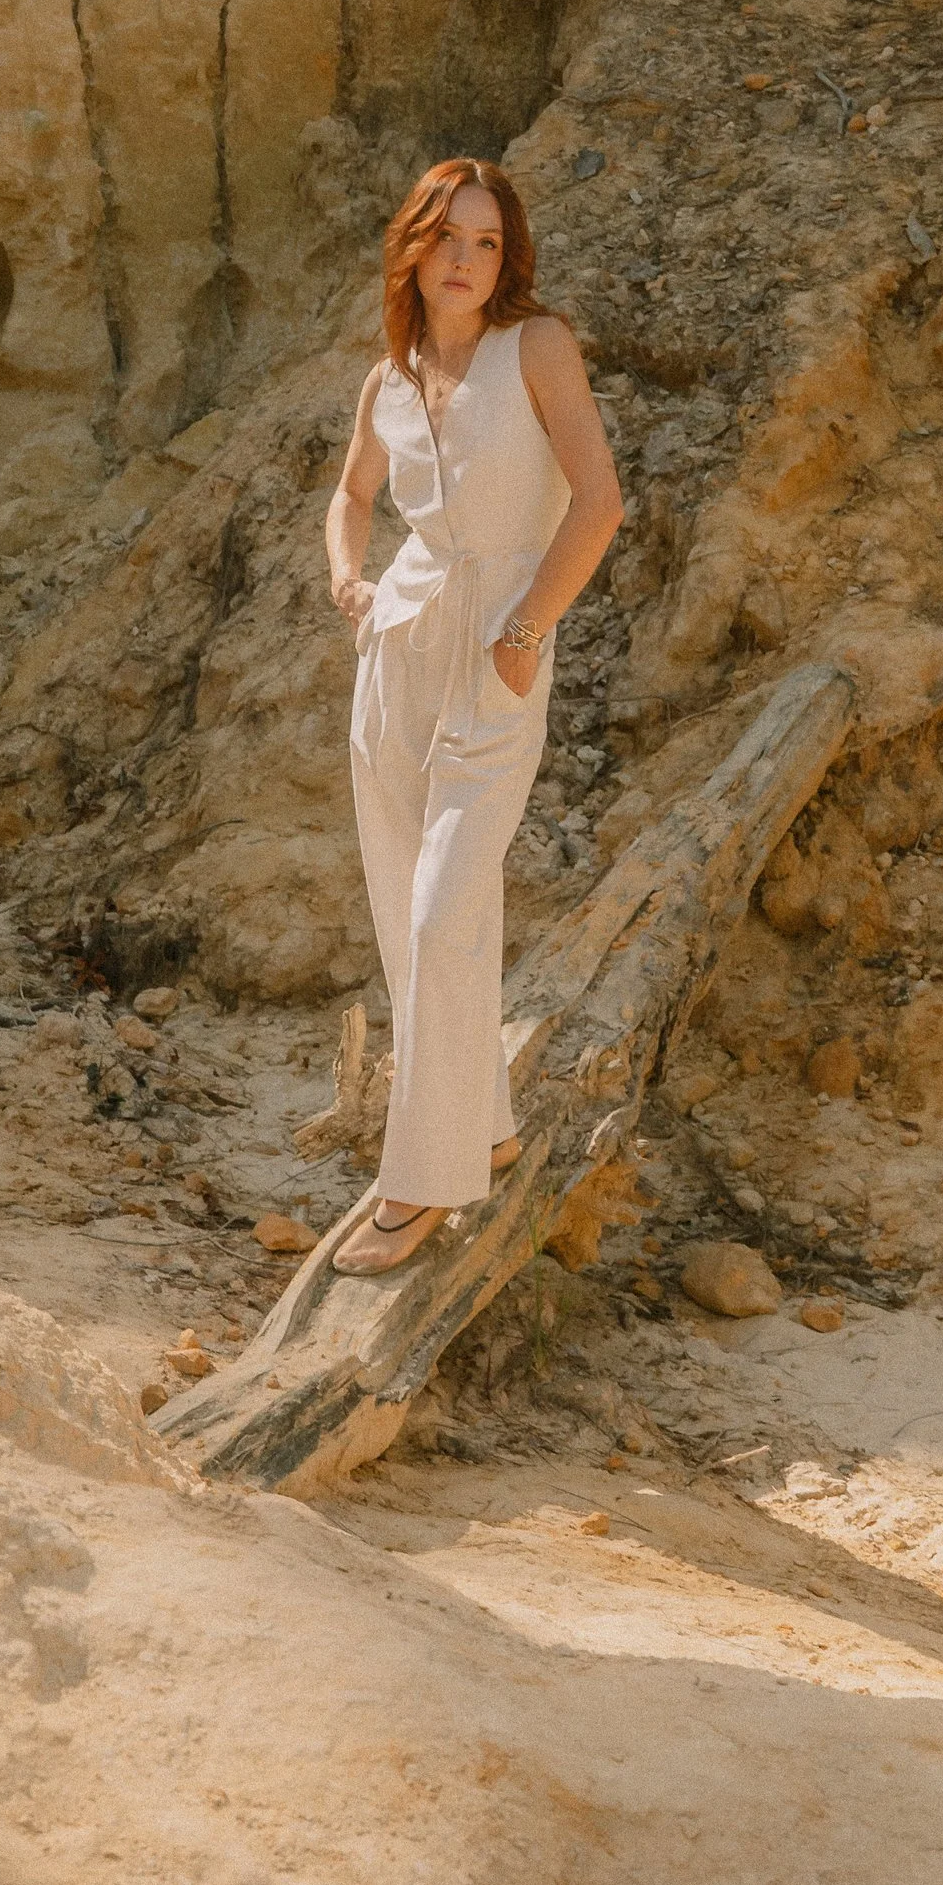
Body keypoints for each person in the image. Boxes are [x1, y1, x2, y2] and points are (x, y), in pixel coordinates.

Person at [322, 157, 624, 1274]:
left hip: (500, 649)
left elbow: (600, 501)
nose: (465, 259)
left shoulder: (535, 348)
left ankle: (417, 1184)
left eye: (487, 242)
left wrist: (525, 631)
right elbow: (349, 495)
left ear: (510, 258)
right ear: (413, 244)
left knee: (448, 906)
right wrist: (351, 583)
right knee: (411, 917)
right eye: (448, 235)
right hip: (401, 649)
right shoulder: (387, 377)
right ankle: (484, 1129)